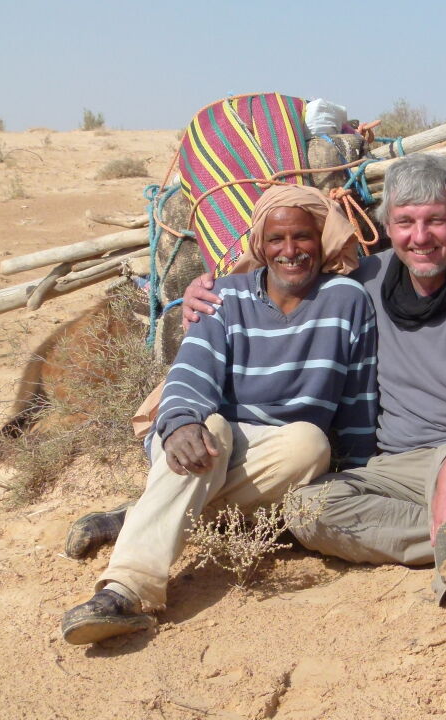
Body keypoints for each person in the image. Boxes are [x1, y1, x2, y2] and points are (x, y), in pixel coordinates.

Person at [182, 154, 446, 639]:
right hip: (397, 464)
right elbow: (279, 280)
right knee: (305, 511)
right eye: (405, 222)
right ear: (388, 225)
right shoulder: (362, 282)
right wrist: (208, 295)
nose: (421, 237)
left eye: (436, 221)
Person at [60, 185, 379, 645]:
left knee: (311, 443)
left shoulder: (347, 301)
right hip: (197, 437)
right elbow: (192, 373)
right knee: (211, 432)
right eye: (277, 239)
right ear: (260, 245)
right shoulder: (222, 296)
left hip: (269, 456)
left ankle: (141, 515)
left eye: (303, 237)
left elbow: (357, 400)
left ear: (321, 240)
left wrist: (361, 472)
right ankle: (125, 590)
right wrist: (183, 421)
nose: (290, 251)